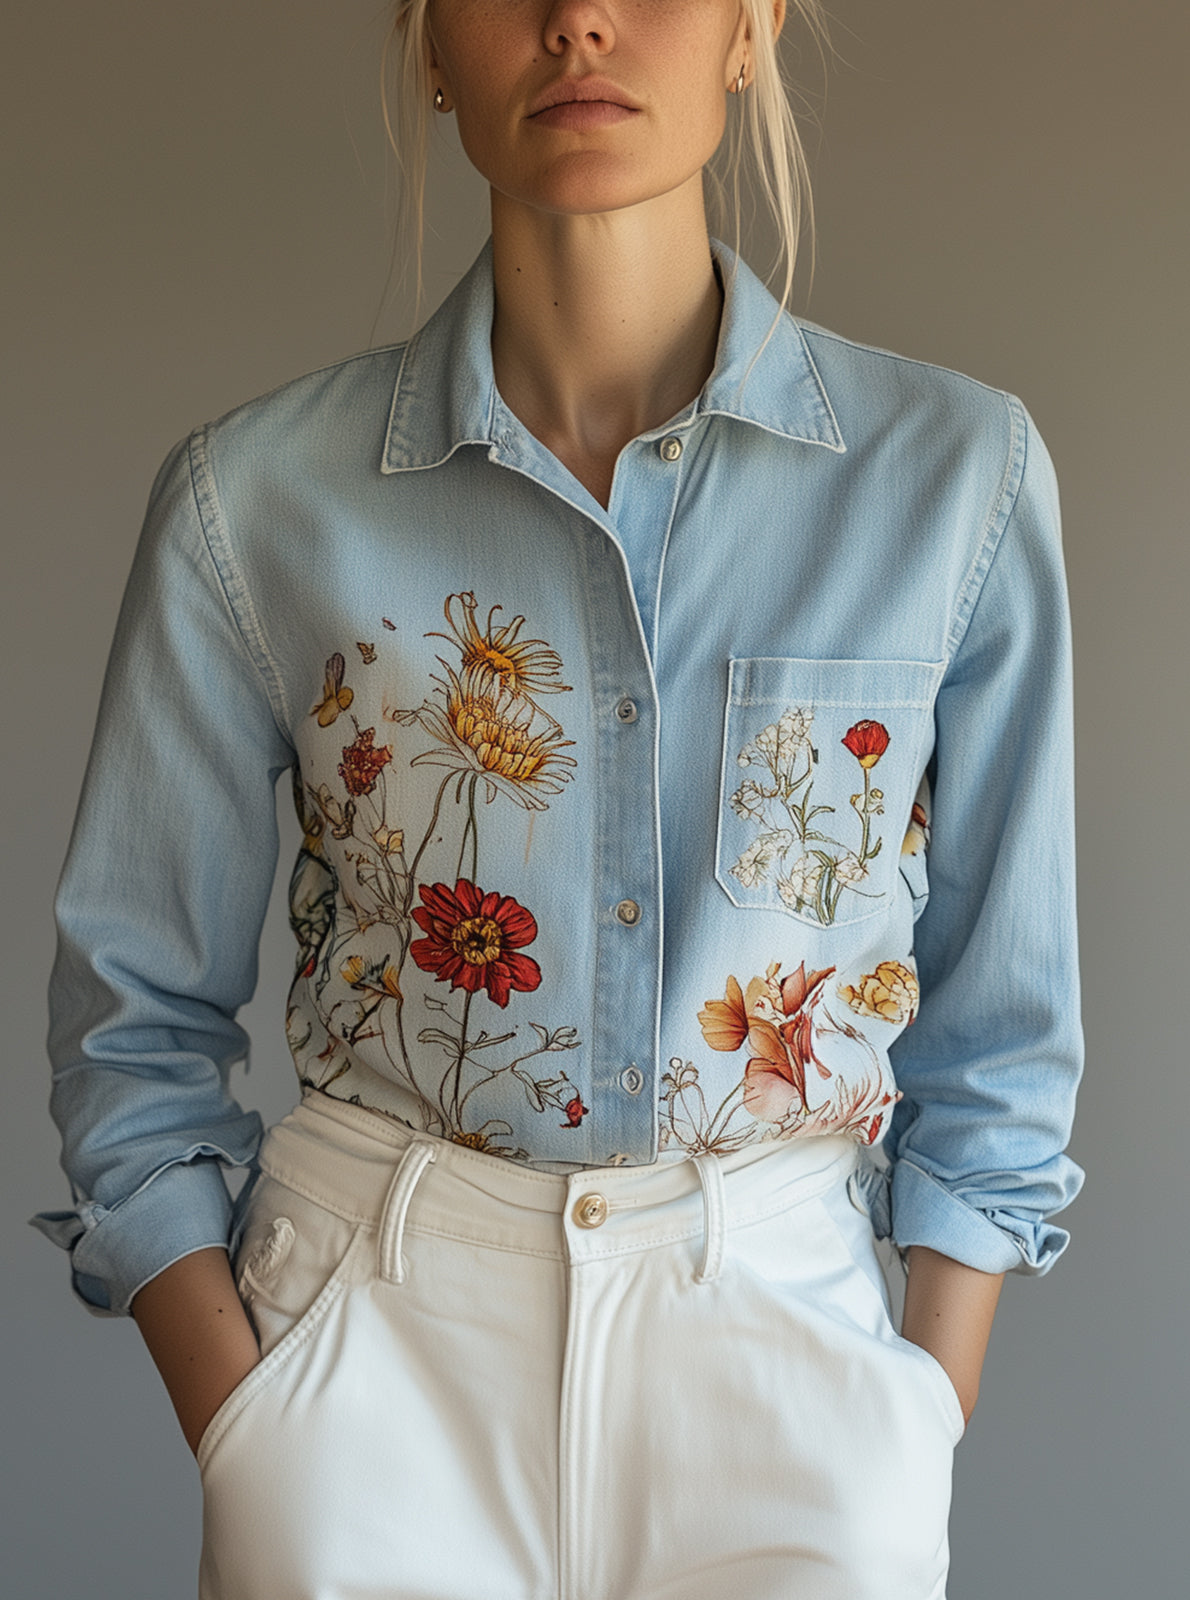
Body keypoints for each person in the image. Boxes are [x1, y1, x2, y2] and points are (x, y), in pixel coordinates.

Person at [33, 1, 1084, 1596]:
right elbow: (131, 1020)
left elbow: (1004, 1029)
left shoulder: (958, 482)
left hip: (792, 1365)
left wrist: (912, 1412)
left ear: (752, 27)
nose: (581, 17)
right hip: (373, 1363)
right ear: (429, 41)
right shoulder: (251, 506)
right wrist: (251, 1421)